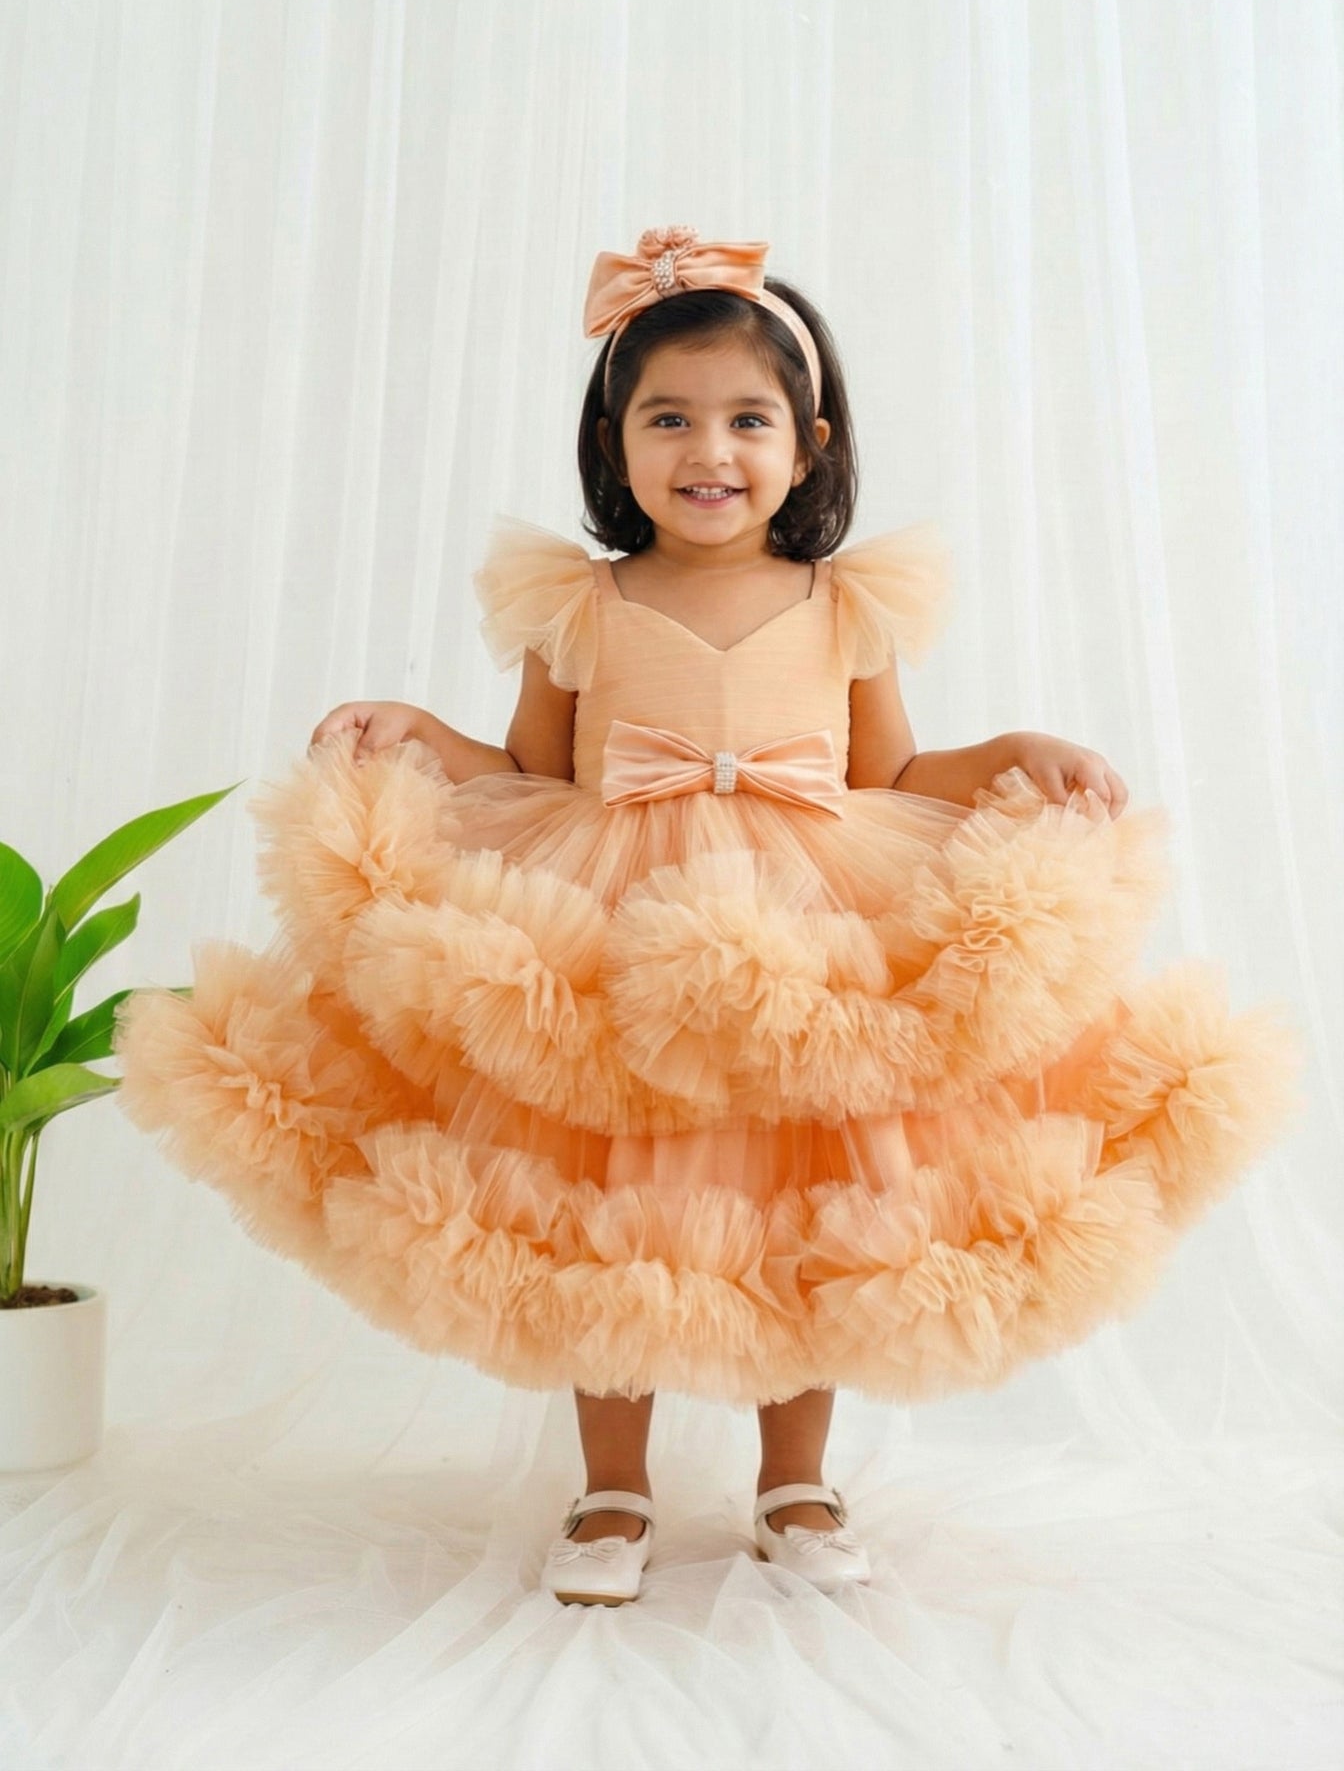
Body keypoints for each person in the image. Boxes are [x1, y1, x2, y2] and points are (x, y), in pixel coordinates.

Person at [118, 226, 1296, 1609]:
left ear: (809, 443)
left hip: (808, 922)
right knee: (609, 1202)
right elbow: (530, 769)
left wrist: (1013, 752)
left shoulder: (846, 603)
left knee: (807, 1192)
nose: (709, 451)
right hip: (617, 920)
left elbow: (892, 772)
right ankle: (611, 1486)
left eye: (747, 420)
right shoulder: (580, 602)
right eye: (667, 418)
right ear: (611, 441)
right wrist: (420, 731)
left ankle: (796, 1480)